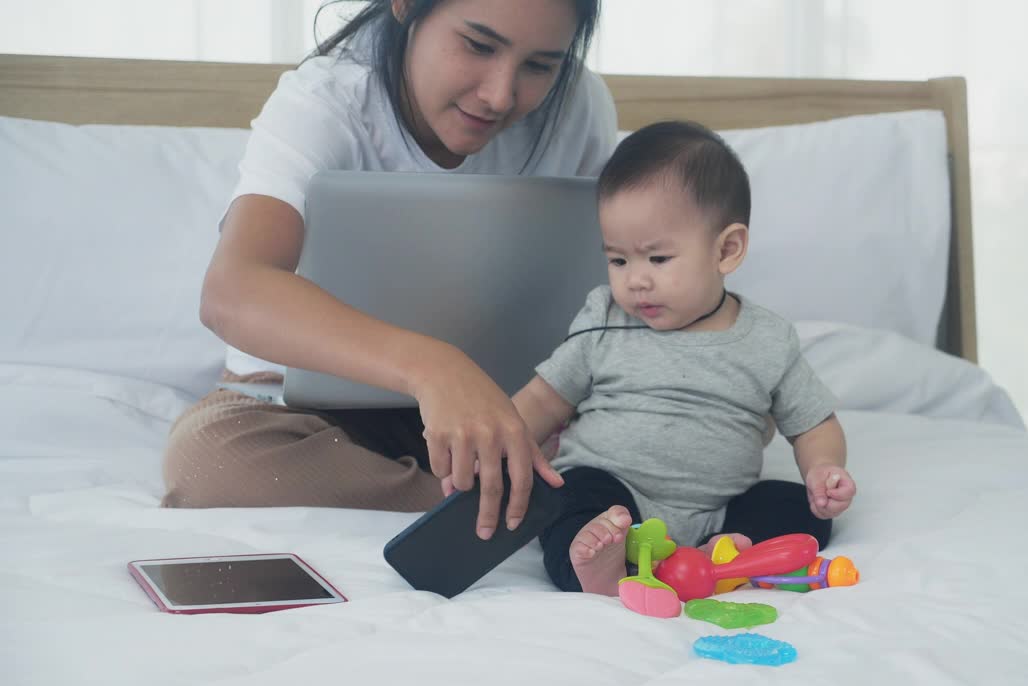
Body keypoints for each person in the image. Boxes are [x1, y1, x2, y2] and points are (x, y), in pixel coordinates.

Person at [162, 0, 616, 543]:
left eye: (541, 65)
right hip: (300, 412)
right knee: (209, 463)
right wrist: (434, 367)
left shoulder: (579, 106)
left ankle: (498, 494)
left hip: (501, 410)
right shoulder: (326, 102)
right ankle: (516, 505)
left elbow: (607, 281)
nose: (500, 94)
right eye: (478, 45)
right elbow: (232, 292)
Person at [511, 121, 857, 595]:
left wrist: (823, 469)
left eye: (657, 259)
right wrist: (497, 447)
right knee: (567, 497)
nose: (635, 280)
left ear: (727, 250)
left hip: (720, 509)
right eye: (618, 260)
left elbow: (814, 423)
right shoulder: (604, 319)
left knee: (794, 506)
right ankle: (598, 568)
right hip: (614, 495)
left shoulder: (768, 340)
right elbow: (544, 400)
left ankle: (723, 557)